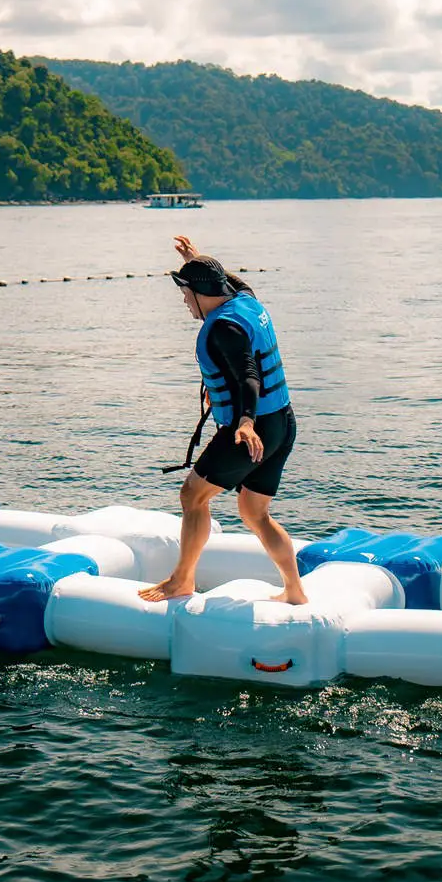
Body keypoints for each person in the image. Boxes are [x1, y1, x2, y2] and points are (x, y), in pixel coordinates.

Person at [139, 236, 308, 606]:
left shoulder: (223, 329)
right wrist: (196, 259)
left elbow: (249, 376)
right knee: (254, 512)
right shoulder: (246, 300)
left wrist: (245, 422)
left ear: (202, 293)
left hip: (250, 432)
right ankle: (294, 591)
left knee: (192, 495)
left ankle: (182, 580)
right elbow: (231, 280)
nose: (184, 301)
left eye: (186, 293)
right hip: (282, 423)